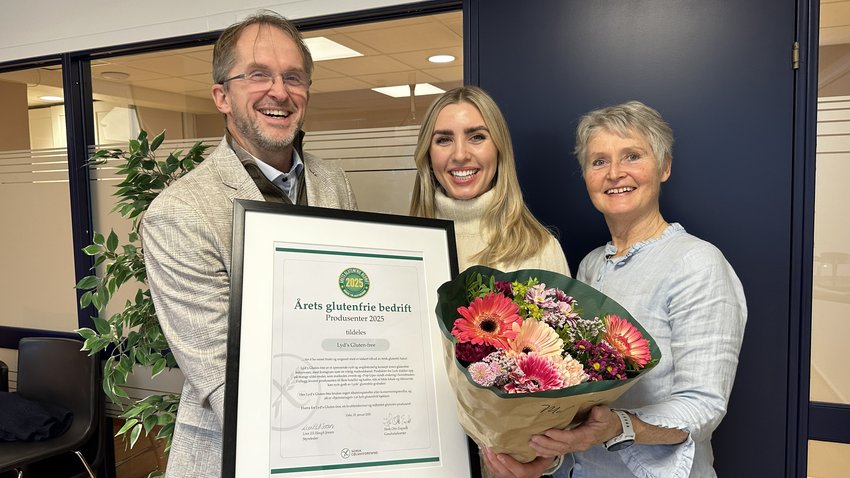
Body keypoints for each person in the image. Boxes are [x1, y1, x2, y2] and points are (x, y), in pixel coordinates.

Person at [142, 11, 357, 477]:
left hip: (342, 445)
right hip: (234, 453)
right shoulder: (179, 214)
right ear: (222, 95)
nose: (279, 91)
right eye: (258, 74)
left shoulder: (334, 183)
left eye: (294, 77)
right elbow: (221, 375)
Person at [481, 100, 747, 478]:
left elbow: (703, 406)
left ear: (665, 167)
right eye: (599, 161)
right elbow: (575, 398)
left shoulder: (697, 263)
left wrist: (620, 426)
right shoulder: (590, 266)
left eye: (632, 156)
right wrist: (547, 458)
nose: (615, 173)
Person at [410, 86, 569, 276]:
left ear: (499, 149)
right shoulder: (401, 244)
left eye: (477, 137)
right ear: (427, 154)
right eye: (444, 140)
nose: (460, 155)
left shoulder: (541, 250)